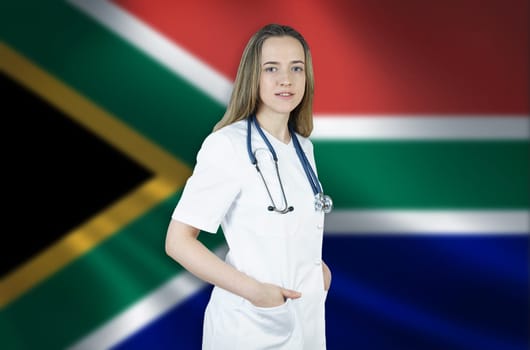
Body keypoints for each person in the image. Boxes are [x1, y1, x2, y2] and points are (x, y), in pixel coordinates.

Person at [165, 23, 333, 350]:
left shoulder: (303, 147)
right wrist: (257, 293)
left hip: (306, 321)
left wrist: (319, 273)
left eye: (296, 68)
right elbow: (178, 242)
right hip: (251, 325)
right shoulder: (226, 145)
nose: (286, 79)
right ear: (252, 76)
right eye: (272, 68)